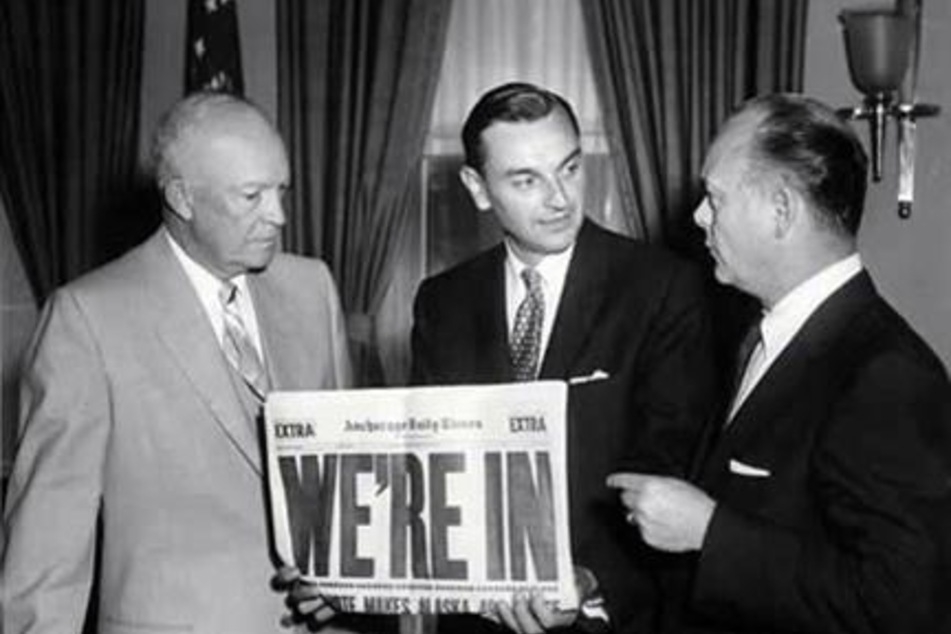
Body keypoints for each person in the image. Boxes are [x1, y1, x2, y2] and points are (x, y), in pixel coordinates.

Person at [1, 92, 352, 634]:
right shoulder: (87, 318)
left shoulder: (313, 289)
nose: (278, 216)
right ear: (182, 198)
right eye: (252, 196)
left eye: (282, 191)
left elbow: (346, 479)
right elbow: (46, 554)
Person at [609, 93, 951, 634]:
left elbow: (905, 607)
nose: (699, 216)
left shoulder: (887, 375)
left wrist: (711, 532)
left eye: (715, 198)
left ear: (781, 210)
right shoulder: (756, 338)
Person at [408, 82, 717, 634]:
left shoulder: (661, 287)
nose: (559, 198)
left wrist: (588, 577)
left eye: (570, 169)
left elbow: (668, 460)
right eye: (526, 180)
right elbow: (429, 468)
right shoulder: (442, 301)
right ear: (478, 189)